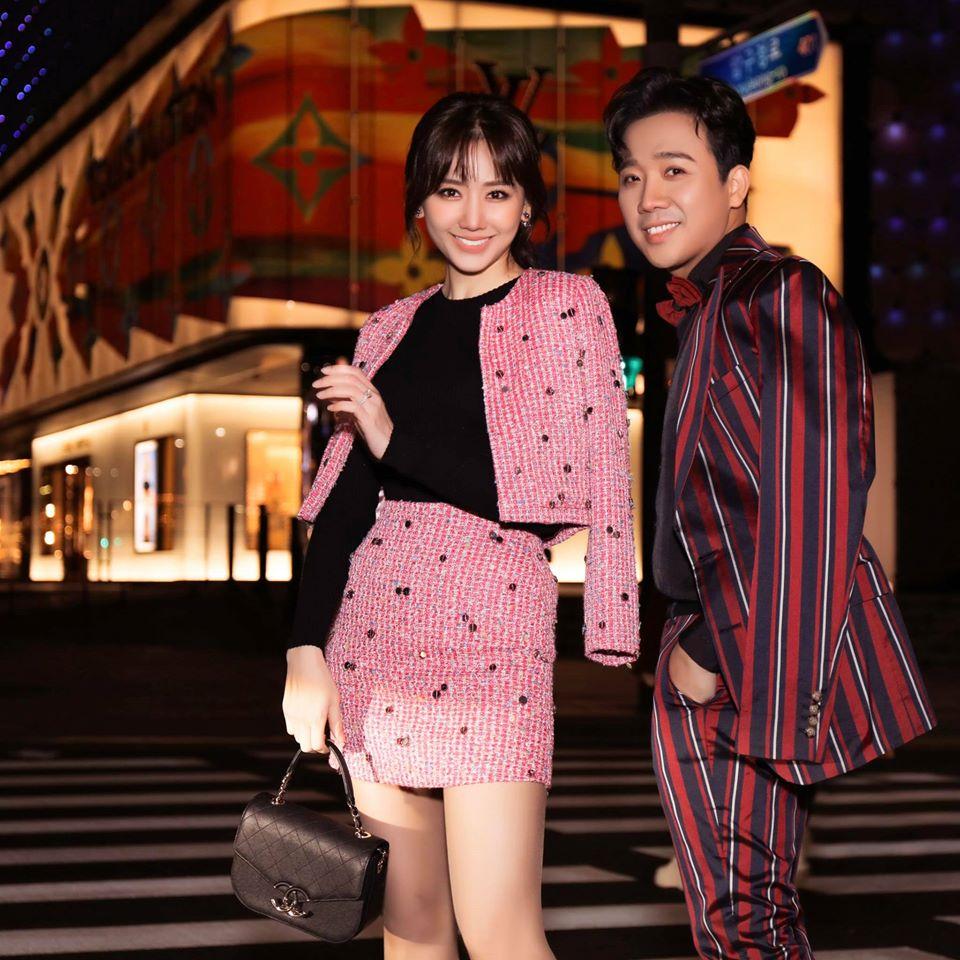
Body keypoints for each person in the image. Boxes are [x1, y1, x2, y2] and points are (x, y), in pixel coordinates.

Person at [284, 92, 639, 960]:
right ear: (420, 204)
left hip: (495, 636)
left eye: (497, 191)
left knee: (501, 931)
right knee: (411, 932)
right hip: (375, 634)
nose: (473, 215)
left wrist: (390, 433)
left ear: (527, 205)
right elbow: (342, 510)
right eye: (450, 190)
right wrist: (304, 652)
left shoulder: (569, 306)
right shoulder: (389, 328)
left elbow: (554, 493)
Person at [604, 68, 936, 958]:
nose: (647, 195)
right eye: (632, 174)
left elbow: (814, 496)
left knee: (744, 923)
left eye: (675, 169)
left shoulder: (777, 293)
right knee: (741, 921)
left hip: (745, 654)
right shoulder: (717, 305)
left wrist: (713, 653)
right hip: (724, 643)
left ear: (737, 181)